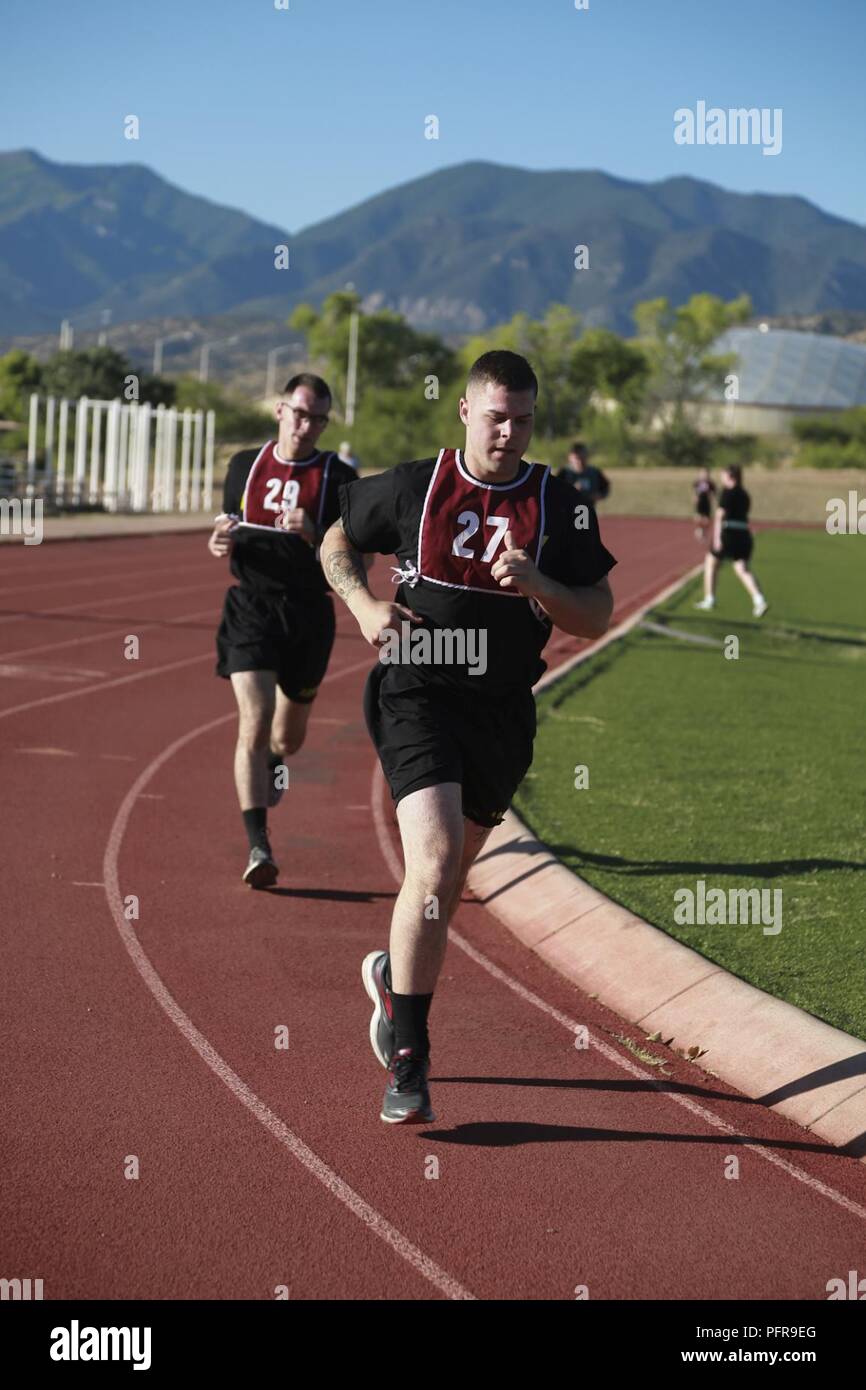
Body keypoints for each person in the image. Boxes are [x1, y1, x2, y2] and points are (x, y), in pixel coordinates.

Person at [320, 350, 617, 1124]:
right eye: (495, 418)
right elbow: (335, 540)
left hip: (502, 711)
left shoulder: (561, 503)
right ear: (464, 411)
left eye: (522, 420)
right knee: (438, 858)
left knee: (441, 889)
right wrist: (363, 607)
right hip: (417, 685)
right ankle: (411, 1060)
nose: (509, 433)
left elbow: (597, 614)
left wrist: (544, 586)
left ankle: (394, 979)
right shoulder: (416, 486)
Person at [208, 374, 360, 888]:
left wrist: (314, 535)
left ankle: (276, 757)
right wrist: (217, 541)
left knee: (287, 737)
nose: (307, 425)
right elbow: (227, 525)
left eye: (318, 418)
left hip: (308, 615)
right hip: (250, 606)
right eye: (299, 413)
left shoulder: (338, 479)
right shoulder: (243, 465)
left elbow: (350, 563)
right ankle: (258, 844)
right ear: (279, 411)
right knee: (254, 718)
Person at [694, 464, 768, 617]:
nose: (721, 478)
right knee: (742, 569)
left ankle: (709, 599)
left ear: (730, 476)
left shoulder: (727, 493)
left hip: (729, 533)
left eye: (723, 475)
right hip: (744, 534)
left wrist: (717, 538)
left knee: (710, 562)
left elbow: (720, 515)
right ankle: (759, 600)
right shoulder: (745, 494)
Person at [557, 441, 607, 506]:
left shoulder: (594, 472)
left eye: (583, 458)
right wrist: (571, 491)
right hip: (567, 511)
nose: (580, 461)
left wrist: (599, 495)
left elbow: (605, 488)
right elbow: (555, 492)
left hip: (588, 510)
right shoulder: (564, 473)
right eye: (577, 458)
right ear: (570, 458)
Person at [693, 466, 716, 542]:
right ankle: (699, 529)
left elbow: (713, 493)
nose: (703, 475)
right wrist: (695, 498)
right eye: (702, 473)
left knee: (707, 521)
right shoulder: (697, 483)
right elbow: (695, 492)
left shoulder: (711, 484)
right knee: (698, 518)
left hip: (707, 503)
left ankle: (704, 532)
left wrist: (711, 498)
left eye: (705, 473)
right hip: (700, 503)